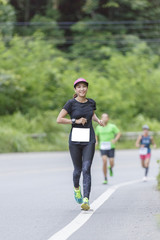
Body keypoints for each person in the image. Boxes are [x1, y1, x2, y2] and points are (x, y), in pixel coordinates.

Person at [57, 78, 103, 211]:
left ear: (87, 88)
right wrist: (75, 121)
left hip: (89, 138)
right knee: (78, 170)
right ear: (75, 90)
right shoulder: (71, 103)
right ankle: (77, 189)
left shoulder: (91, 103)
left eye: (84, 87)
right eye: (79, 87)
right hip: (75, 140)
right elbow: (59, 119)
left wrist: (98, 120)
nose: (82, 89)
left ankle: (86, 200)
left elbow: (92, 114)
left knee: (87, 167)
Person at [95, 113, 121, 184]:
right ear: (101, 118)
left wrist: (115, 139)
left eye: (106, 117)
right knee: (104, 161)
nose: (104, 119)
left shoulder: (112, 126)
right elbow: (96, 135)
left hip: (111, 147)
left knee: (112, 162)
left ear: (108, 119)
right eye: (103, 117)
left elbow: (119, 133)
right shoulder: (98, 127)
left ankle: (110, 167)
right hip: (103, 147)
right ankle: (105, 178)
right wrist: (96, 141)